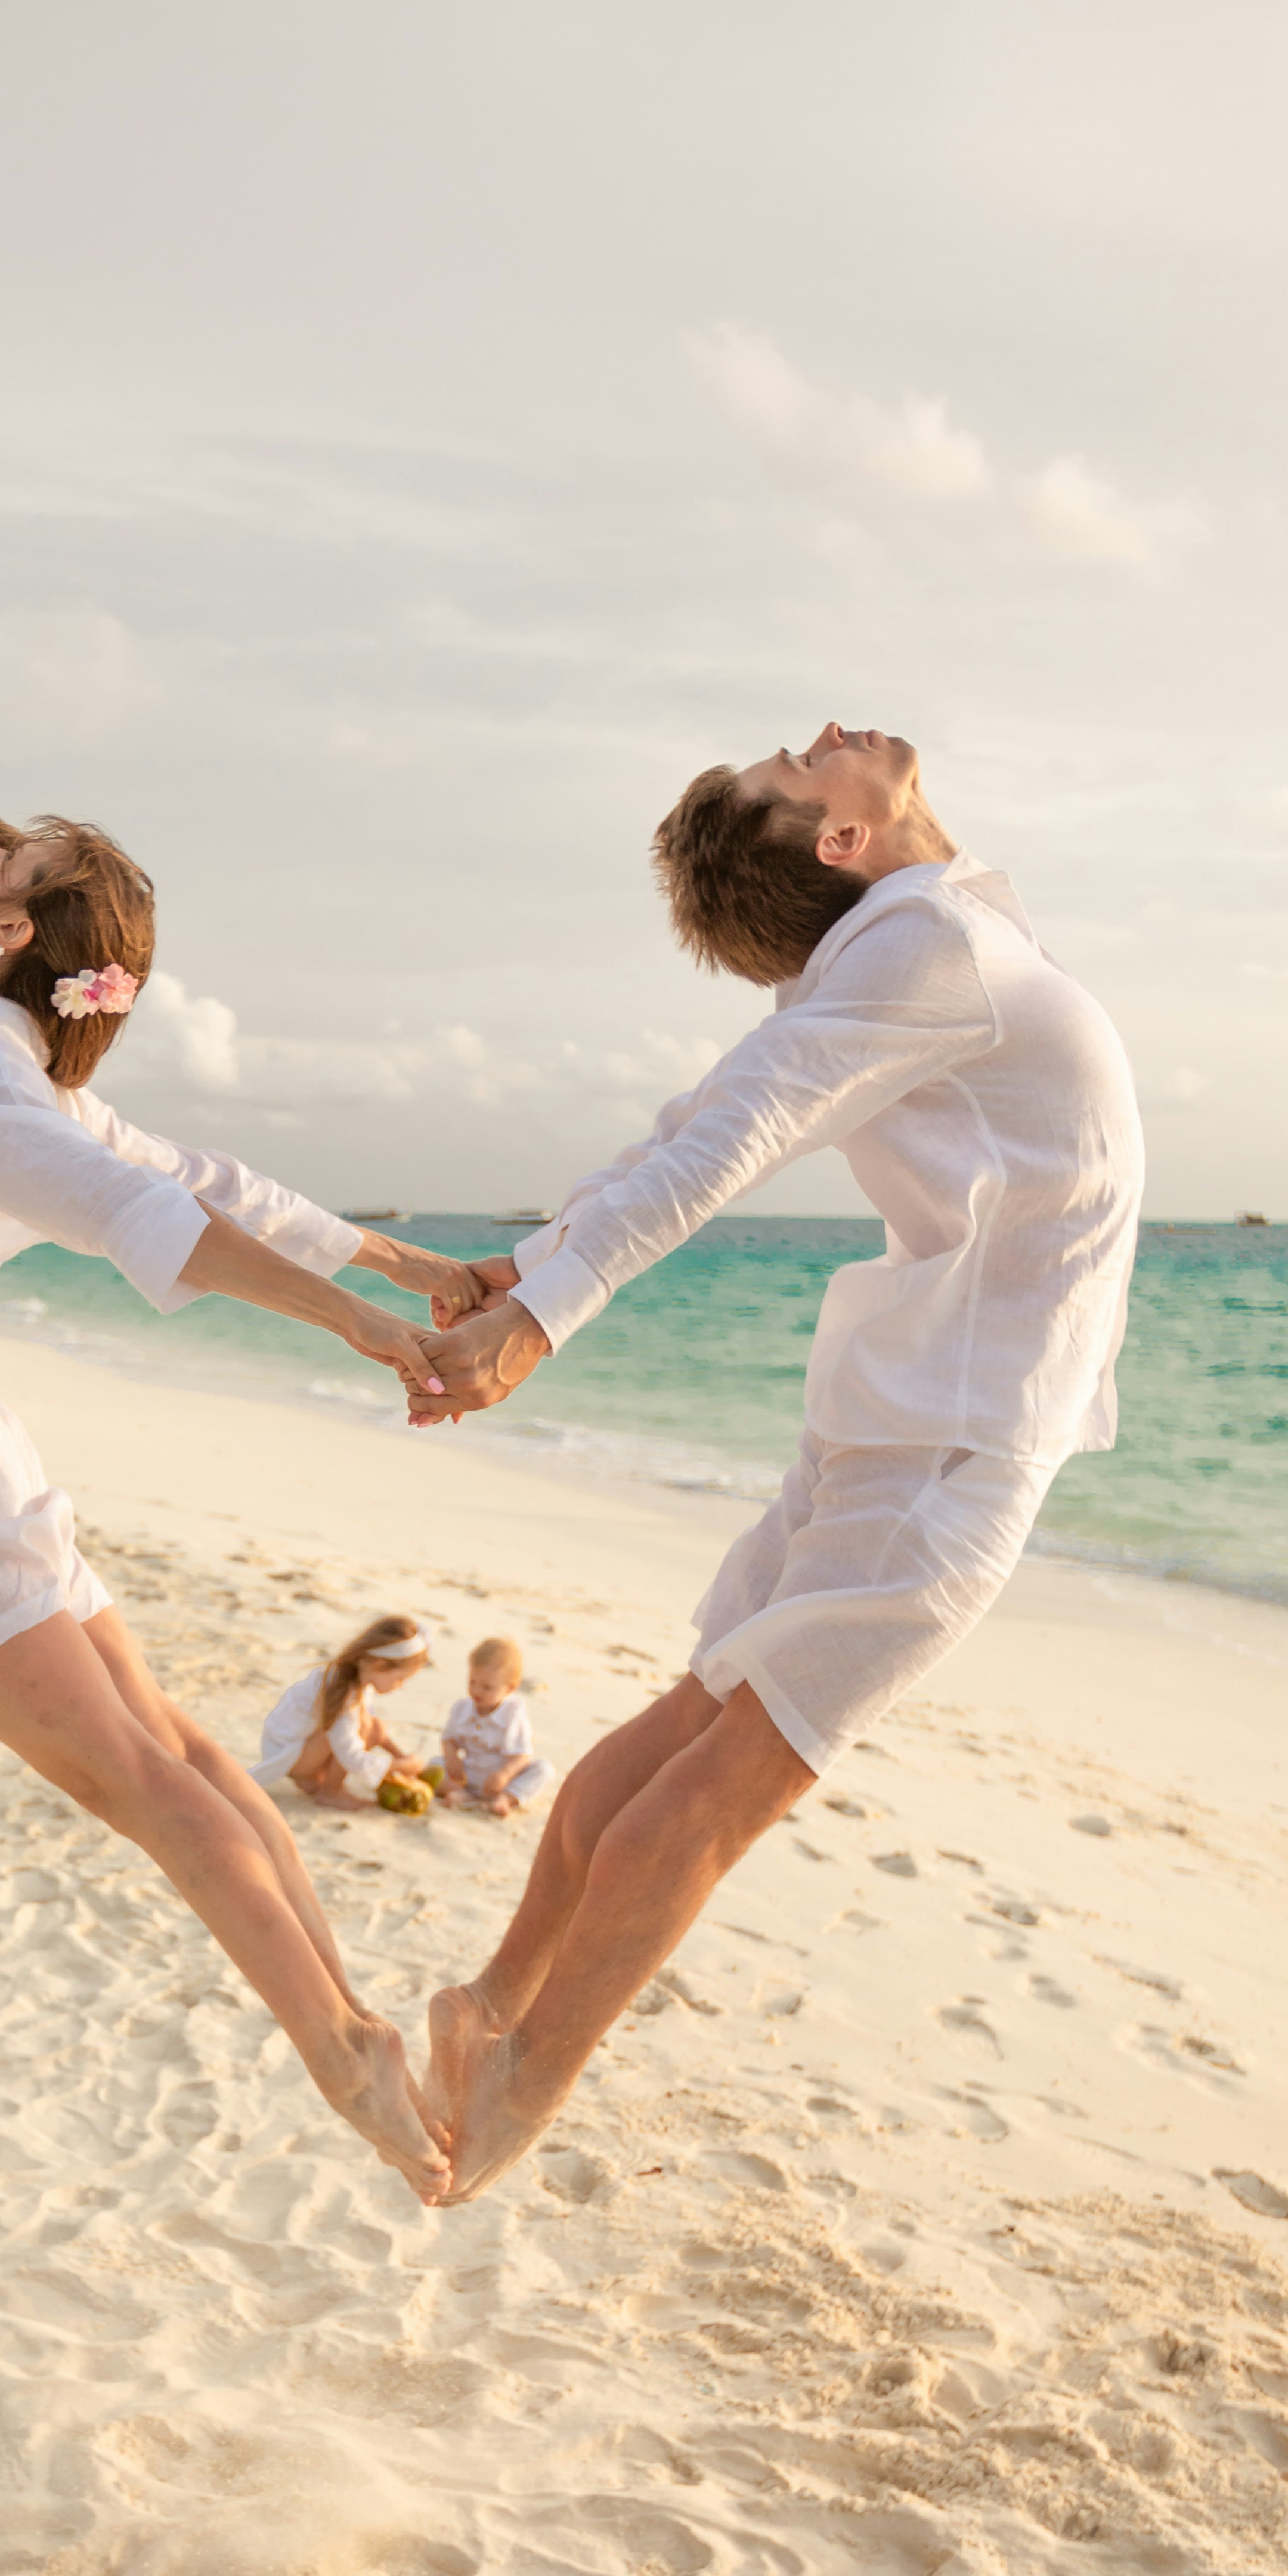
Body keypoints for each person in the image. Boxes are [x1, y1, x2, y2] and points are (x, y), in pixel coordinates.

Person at [0, 665, 484, 2203]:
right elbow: (193, 1177)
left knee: (148, 1786)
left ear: (8, 937)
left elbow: (158, 1211)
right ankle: (346, 2022)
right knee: (179, 1760)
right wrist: (402, 1264)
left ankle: (342, 2048)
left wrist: (368, 1316)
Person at [415, 720, 1143, 2201]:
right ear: (837, 839)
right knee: (726, 1784)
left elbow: (691, 1130)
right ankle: (513, 2090)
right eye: (796, 766)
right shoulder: (917, 940)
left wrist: (536, 1261)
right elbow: (717, 1146)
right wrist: (540, 1308)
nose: (821, 738)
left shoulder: (896, 944)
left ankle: (490, 2008)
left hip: (902, 1412)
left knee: (692, 1730)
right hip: (952, 1433)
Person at [254, 1613, 435, 1809]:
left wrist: (401, 1758)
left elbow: (376, 1732)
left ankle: (312, 1778)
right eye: (400, 1679)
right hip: (288, 1754)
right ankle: (330, 1793)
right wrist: (395, 1767)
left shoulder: (356, 1677)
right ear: (379, 1665)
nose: (400, 1686)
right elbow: (351, 1755)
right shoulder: (342, 1694)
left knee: (372, 1724)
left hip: (300, 1746)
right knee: (362, 1727)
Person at [438, 1636, 553, 1817]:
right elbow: (449, 1739)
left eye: (487, 1687)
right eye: (472, 1682)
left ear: (510, 1688)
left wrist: (505, 1775)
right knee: (432, 1766)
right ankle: (464, 1795)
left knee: (544, 1770)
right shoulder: (462, 1708)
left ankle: (507, 1799)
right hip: (467, 1775)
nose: (476, 1691)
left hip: (501, 1780)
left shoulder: (513, 1714)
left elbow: (522, 1756)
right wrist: (451, 1757)